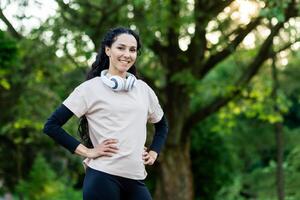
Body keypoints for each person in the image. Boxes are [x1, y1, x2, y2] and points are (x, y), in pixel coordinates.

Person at [43, 27, 168, 200]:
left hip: (136, 178)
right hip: (102, 177)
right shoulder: (89, 89)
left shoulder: (143, 89)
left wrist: (154, 151)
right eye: (121, 48)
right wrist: (88, 152)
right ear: (108, 50)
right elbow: (51, 126)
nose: (127, 54)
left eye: (132, 50)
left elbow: (162, 125)